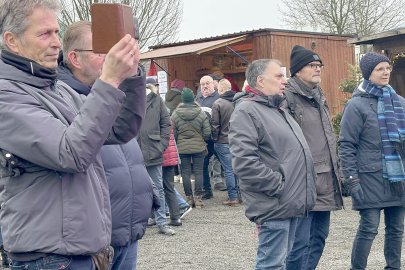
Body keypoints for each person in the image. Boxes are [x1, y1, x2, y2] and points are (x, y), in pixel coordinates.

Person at [0, 0, 142, 269]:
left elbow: (119, 129)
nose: (56, 43)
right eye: (44, 34)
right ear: (12, 41)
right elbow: (71, 153)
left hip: (78, 251)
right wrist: (108, 80)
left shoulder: (58, 90)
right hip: (48, 257)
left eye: (56, 32)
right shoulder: (7, 96)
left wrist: (131, 75)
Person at [58, 21, 155, 270]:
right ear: (75, 58)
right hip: (93, 237)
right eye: (102, 51)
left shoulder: (116, 92)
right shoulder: (61, 98)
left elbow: (126, 135)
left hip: (127, 228)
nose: (113, 57)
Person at [228, 59, 316, 270]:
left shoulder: (277, 108)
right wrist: (278, 185)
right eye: (278, 76)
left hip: (290, 202)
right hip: (275, 203)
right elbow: (244, 161)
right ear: (260, 80)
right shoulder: (246, 111)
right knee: (272, 265)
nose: (284, 81)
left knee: (282, 263)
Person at [339, 52, 405, 270]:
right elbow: (346, 145)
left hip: (398, 178)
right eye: (380, 69)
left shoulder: (399, 102)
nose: (386, 72)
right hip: (369, 178)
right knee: (369, 228)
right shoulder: (356, 105)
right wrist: (351, 179)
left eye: (388, 68)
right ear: (368, 73)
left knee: (396, 229)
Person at [285, 45, 344, 270]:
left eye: (319, 65)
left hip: (325, 178)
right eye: (312, 65)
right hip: (303, 180)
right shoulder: (287, 97)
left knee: (319, 238)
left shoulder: (319, 95)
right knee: (298, 242)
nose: (318, 69)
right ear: (298, 70)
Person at [138, 80, 174, 235]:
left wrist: (162, 144)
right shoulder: (129, 98)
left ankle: (161, 222)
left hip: (153, 150)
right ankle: (141, 222)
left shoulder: (157, 100)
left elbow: (166, 124)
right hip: (134, 151)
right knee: (137, 189)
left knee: (158, 188)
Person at [172, 88, 211, 208]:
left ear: (182, 100)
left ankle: (189, 198)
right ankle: (198, 199)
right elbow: (207, 132)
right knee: (199, 172)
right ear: (193, 99)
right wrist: (202, 140)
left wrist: (179, 142)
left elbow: (174, 133)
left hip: (182, 148)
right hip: (199, 147)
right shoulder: (200, 112)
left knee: (185, 173)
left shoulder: (175, 113)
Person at [195, 75, 226, 199]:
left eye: (207, 83)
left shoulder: (219, 98)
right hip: (204, 140)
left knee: (227, 165)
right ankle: (207, 191)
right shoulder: (197, 99)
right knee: (203, 165)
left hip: (218, 138)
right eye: (202, 84)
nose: (205, 86)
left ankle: (236, 192)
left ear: (214, 84)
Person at [210, 78, 240, 206]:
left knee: (228, 169)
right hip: (238, 140)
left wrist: (214, 138)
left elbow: (215, 124)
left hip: (223, 140)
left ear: (220, 89)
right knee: (238, 168)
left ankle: (233, 197)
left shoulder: (218, 103)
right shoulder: (239, 101)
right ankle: (240, 194)